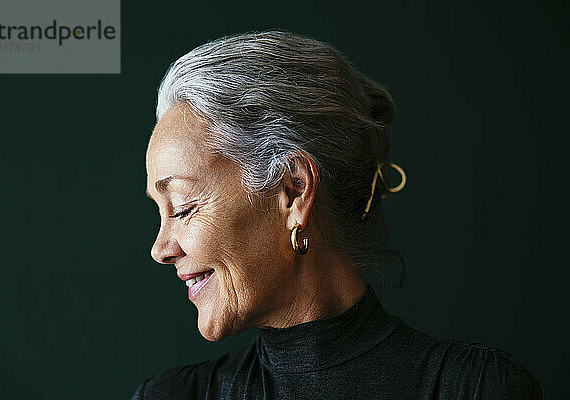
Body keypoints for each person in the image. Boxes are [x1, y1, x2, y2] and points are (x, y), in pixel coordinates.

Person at [133, 31, 542, 399]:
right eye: (160, 212)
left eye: (183, 206)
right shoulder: (169, 396)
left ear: (293, 190)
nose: (160, 249)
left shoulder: (476, 389)